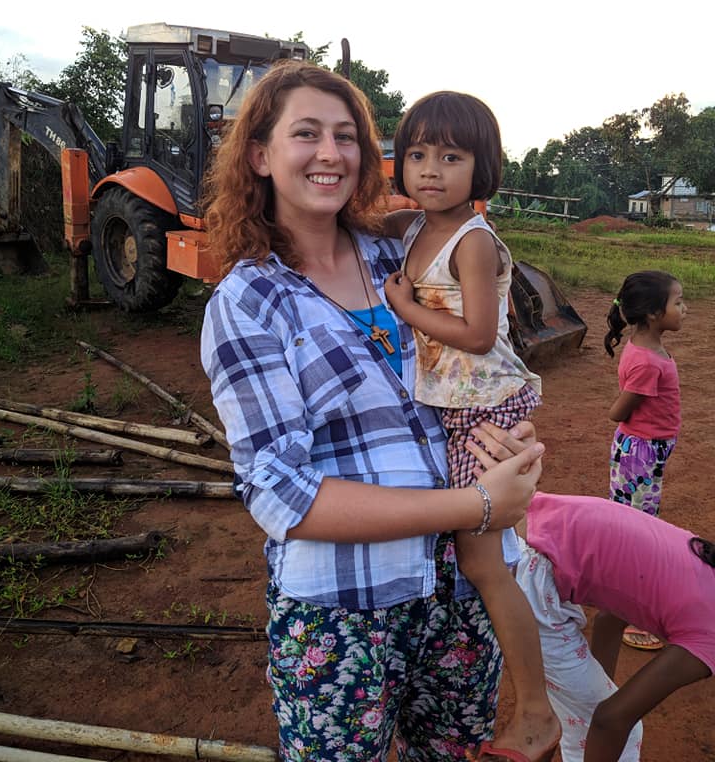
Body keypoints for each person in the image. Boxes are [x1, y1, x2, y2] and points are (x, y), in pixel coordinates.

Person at [199, 61, 544, 762]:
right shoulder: (249, 302)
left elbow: (477, 359)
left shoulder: (402, 251)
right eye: (306, 134)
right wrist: (475, 504)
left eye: (346, 135)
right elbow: (280, 491)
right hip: (345, 610)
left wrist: (509, 435)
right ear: (260, 156)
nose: (330, 152)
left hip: (459, 595)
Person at [382, 91, 560, 762]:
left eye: (451, 157)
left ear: (481, 168)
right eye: (417, 154)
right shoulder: (412, 227)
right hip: (456, 408)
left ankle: (537, 711)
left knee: (484, 563)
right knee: (473, 556)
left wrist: (405, 308)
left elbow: (481, 334)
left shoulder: (473, 241)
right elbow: (361, 217)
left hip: (484, 407)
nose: (431, 169)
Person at [508, 489, 714, 762]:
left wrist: (594, 690)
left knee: (579, 711)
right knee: (616, 732)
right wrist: (595, 703)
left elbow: (608, 622)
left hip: (525, 529)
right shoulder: (710, 634)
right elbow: (609, 720)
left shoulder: (703, 565)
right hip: (531, 578)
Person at [604, 270, 686, 649]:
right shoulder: (648, 362)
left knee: (633, 523)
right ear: (654, 314)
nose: (684, 308)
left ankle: (616, 588)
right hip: (640, 454)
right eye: (678, 302)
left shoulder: (646, 347)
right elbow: (619, 412)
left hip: (646, 452)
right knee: (638, 532)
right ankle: (633, 619)